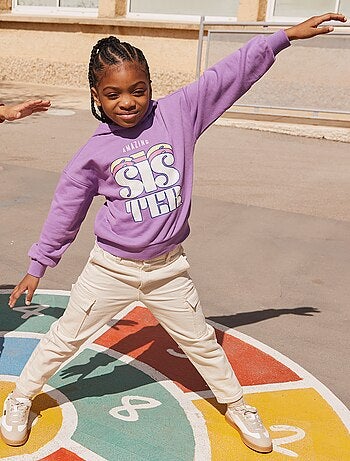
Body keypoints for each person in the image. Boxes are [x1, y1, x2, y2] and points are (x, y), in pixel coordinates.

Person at [0, 12, 346, 453]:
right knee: (64, 338)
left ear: (150, 86)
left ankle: (238, 405)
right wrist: (38, 264)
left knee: (202, 344)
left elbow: (229, 75)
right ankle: (21, 397)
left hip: (168, 270)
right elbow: (66, 210)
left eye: (138, 90)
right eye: (113, 94)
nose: (128, 101)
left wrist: (281, 37)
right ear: (96, 96)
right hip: (111, 268)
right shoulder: (93, 152)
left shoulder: (179, 113)